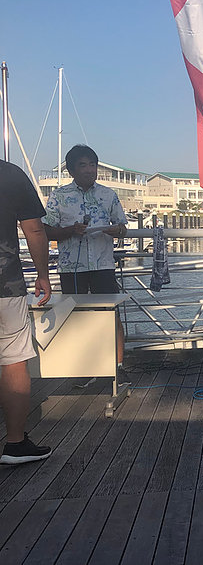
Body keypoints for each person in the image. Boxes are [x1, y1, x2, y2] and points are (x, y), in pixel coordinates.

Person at [42, 144, 127, 366]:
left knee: (111, 314)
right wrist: (71, 230)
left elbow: (122, 226)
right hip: (72, 267)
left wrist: (116, 230)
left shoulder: (108, 195)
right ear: (71, 170)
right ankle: (81, 367)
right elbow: (47, 231)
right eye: (83, 165)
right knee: (75, 316)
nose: (90, 170)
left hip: (103, 265)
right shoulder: (58, 196)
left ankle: (117, 366)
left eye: (92, 165)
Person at [0, 160, 53, 464]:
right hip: (5, 284)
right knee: (13, 360)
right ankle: (15, 443)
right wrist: (43, 274)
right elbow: (34, 228)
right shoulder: (9, 174)